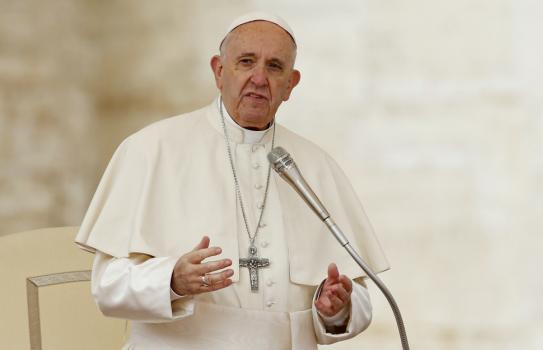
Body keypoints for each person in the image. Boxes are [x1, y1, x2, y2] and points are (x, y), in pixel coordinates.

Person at [75, 12, 389, 350]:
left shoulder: (315, 166)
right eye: (246, 62)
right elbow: (106, 287)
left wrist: (335, 311)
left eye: (274, 67)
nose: (258, 78)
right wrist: (172, 280)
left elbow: (359, 301)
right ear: (219, 71)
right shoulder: (151, 150)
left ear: (291, 85)